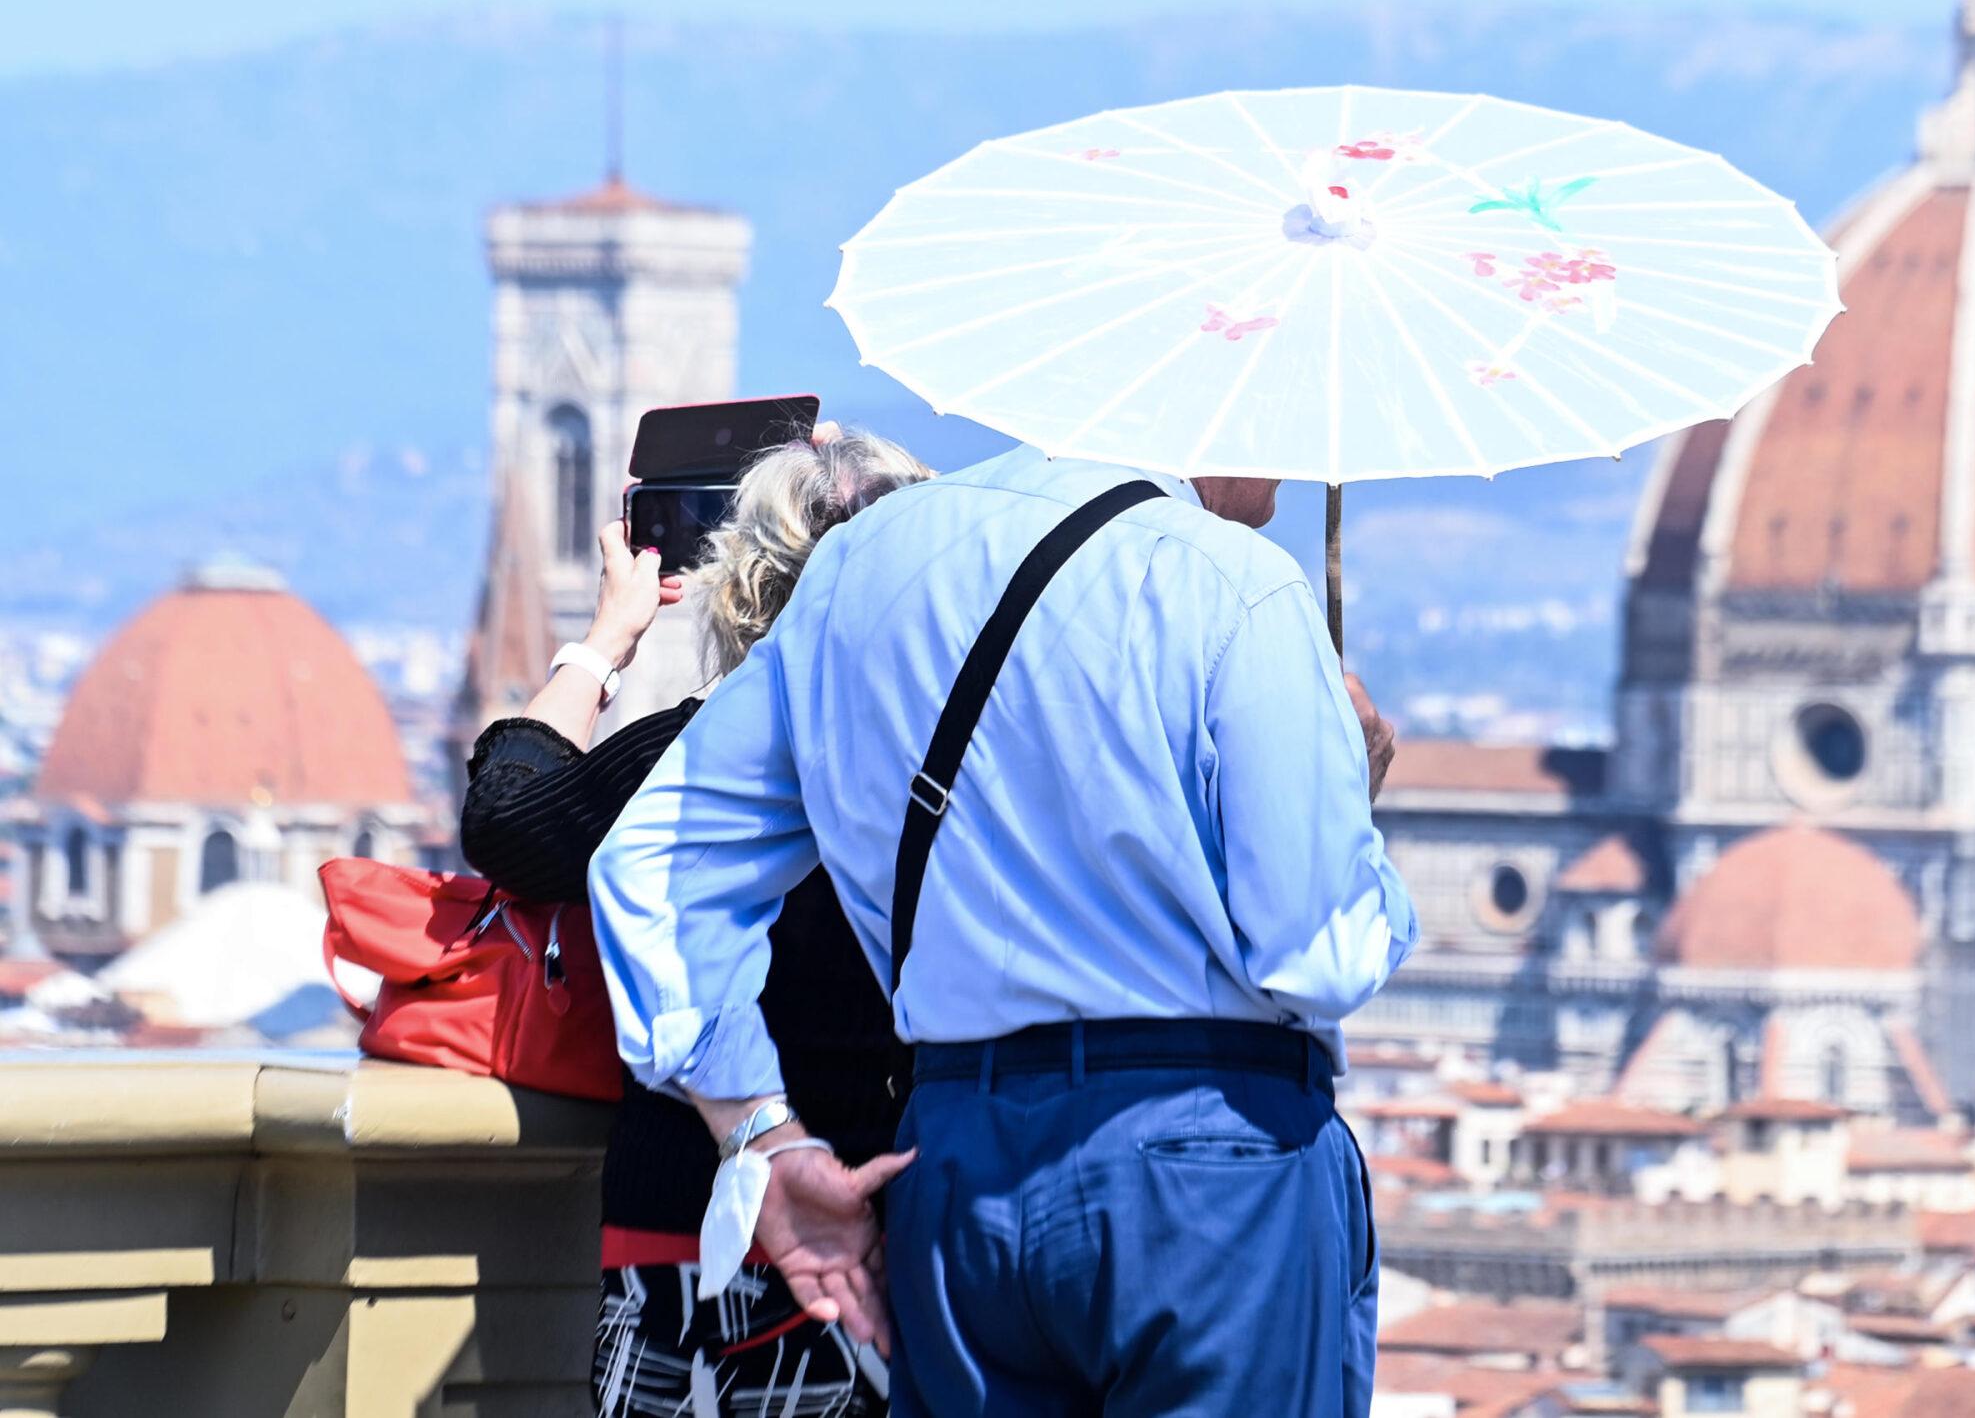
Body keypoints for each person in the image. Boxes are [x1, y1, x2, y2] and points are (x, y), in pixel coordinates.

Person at [591, 444, 1415, 1416]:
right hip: (1206, 1167)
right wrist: (1346, 803)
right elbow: (1319, 957)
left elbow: (656, 860)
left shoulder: (865, 567)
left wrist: (756, 1133)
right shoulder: (1241, 589)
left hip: (960, 1163)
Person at [459, 423, 928, 1418]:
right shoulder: (948, 761)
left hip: (696, 1231)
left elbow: (510, 823)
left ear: (745, 581)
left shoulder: (707, 761)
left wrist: (603, 643)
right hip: (894, 1214)